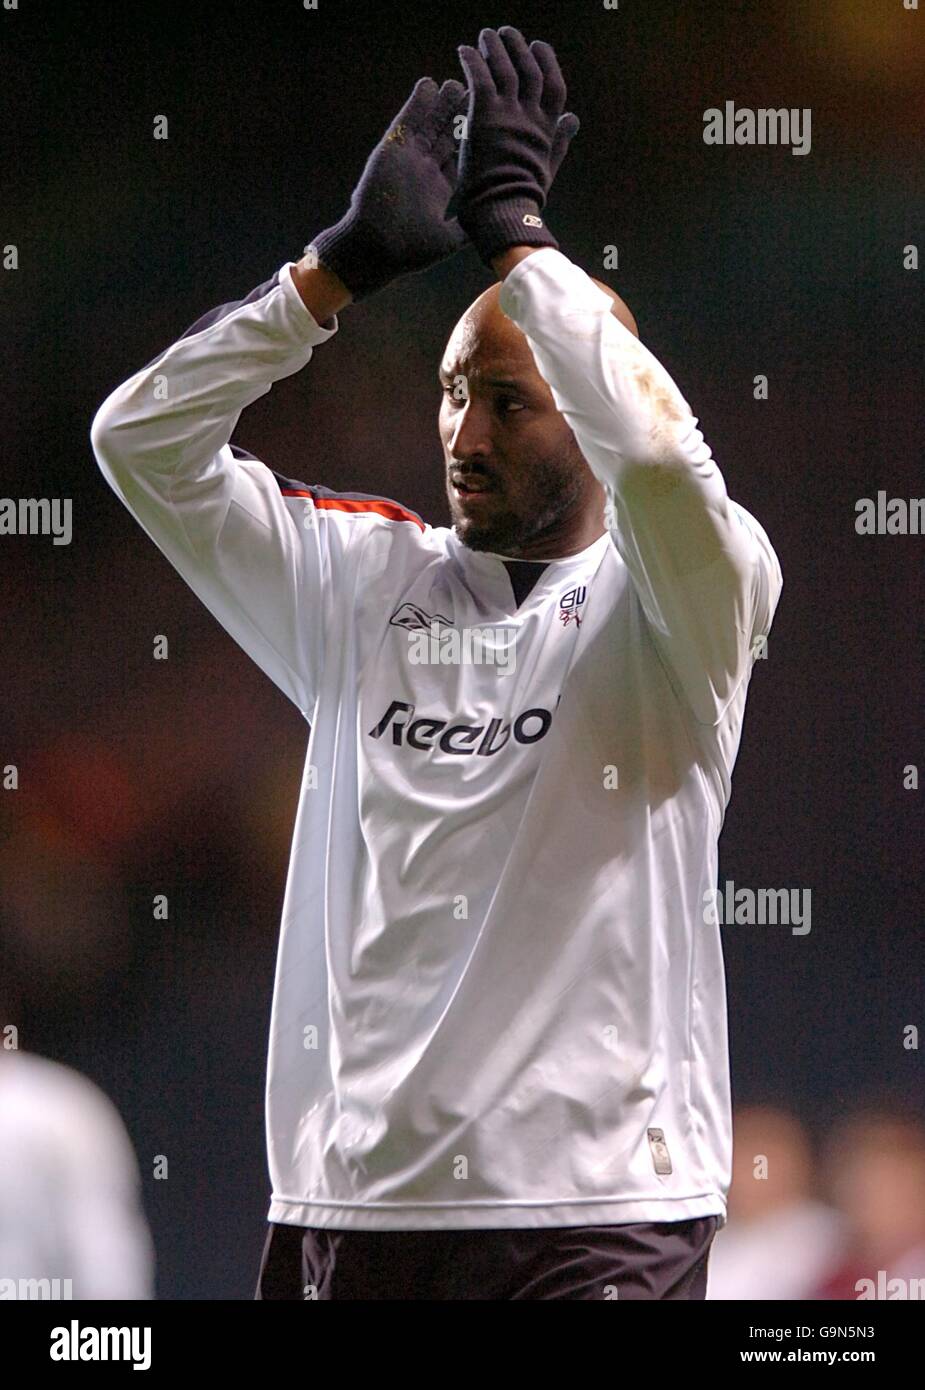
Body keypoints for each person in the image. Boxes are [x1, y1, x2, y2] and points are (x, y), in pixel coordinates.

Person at [90, 26, 783, 1299]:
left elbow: (661, 455)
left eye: (509, 400)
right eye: (454, 392)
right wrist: (328, 277)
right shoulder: (360, 583)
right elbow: (139, 441)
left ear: (581, 395)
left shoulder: (687, 593)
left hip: (602, 1212)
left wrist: (521, 237)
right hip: (356, 1204)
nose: (464, 430)